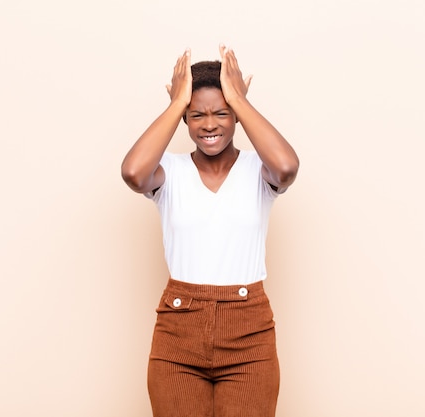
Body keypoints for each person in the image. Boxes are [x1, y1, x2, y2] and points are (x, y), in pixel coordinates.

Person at [121, 44, 299, 417]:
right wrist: (175, 103)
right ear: (184, 118)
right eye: (196, 114)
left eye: (222, 112)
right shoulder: (168, 172)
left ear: (236, 116)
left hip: (249, 332)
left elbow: (286, 167)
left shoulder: (258, 170)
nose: (209, 124)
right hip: (178, 332)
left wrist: (239, 98)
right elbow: (134, 173)